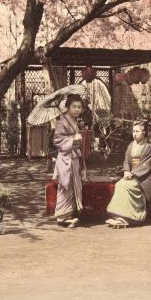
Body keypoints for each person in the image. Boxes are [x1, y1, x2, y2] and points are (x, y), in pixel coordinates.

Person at [105, 120, 151, 228]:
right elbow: (126, 161)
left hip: (144, 177)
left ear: (144, 132)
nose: (134, 134)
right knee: (120, 184)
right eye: (133, 131)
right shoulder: (131, 145)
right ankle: (119, 216)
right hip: (131, 174)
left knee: (127, 186)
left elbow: (146, 165)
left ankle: (132, 216)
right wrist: (126, 171)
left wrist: (133, 174)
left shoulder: (149, 147)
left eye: (137, 131)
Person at [52, 94, 85, 228]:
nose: (77, 109)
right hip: (66, 158)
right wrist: (73, 140)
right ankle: (61, 216)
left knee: (73, 185)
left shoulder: (73, 120)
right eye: (74, 106)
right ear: (67, 107)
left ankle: (69, 213)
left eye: (79, 107)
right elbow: (57, 140)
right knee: (66, 185)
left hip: (74, 157)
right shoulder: (62, 122)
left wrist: (76, 139)